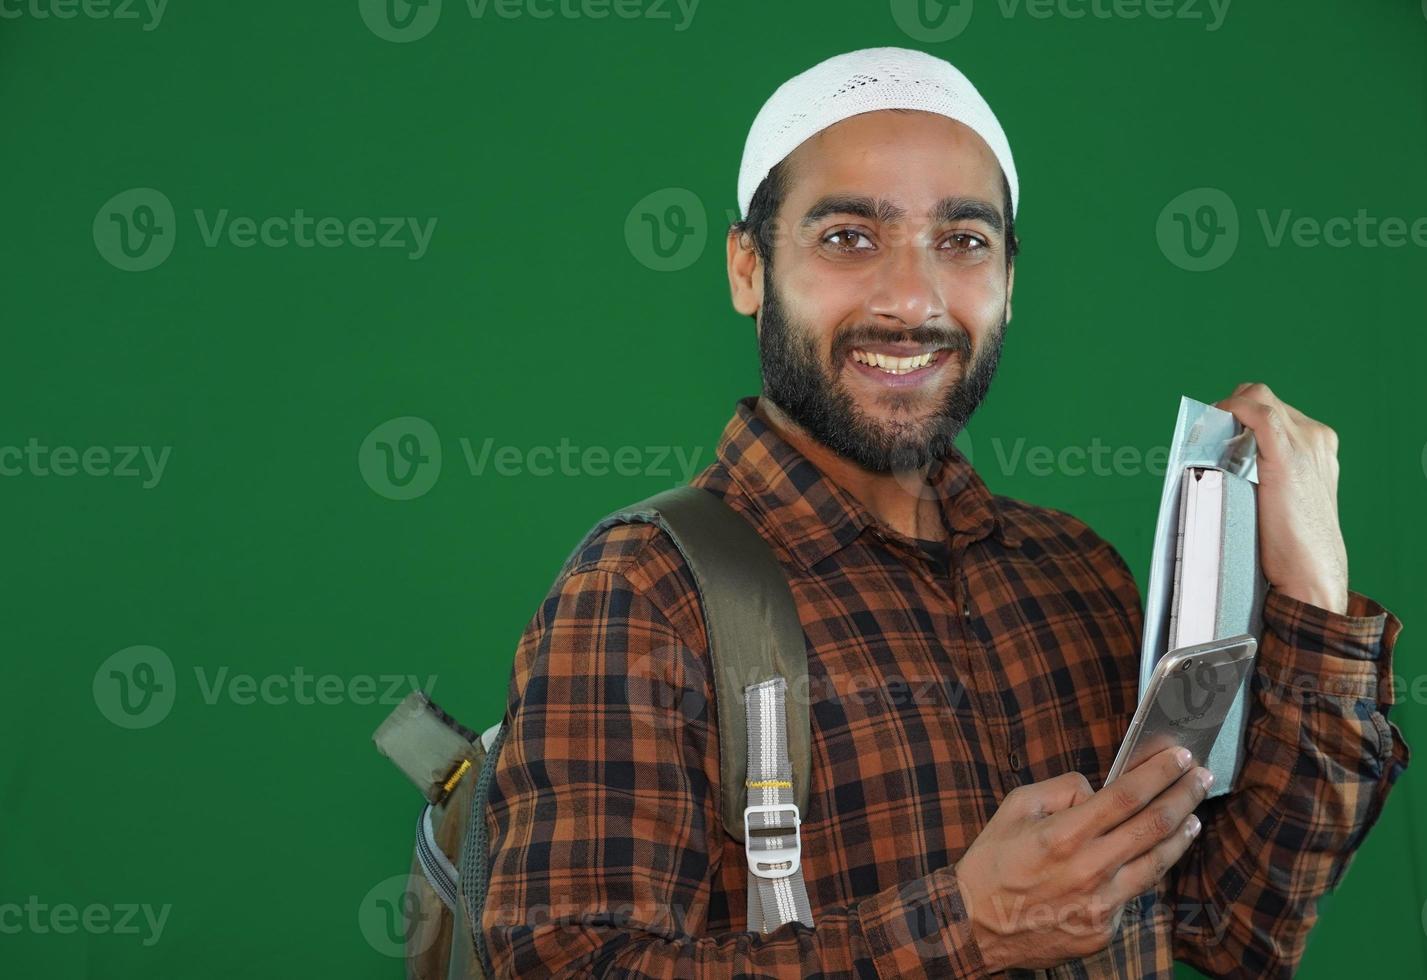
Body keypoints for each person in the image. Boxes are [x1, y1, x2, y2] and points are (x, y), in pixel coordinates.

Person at [480, 47, 1408, 977]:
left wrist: (1315, 596)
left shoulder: (1075, 575)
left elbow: (1233, 927)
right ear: (747, 269)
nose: (912, 300)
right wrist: (970, 928)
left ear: (1009, 275)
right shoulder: (645, 591)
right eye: (848, 236)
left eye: (962, 241)